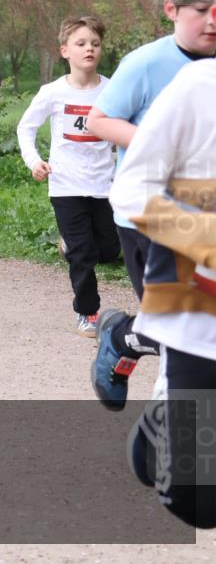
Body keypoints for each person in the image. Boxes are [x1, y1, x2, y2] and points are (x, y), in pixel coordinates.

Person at [87, 0, 216, 411]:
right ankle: (125, 342)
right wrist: (160, 144)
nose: (211, 21)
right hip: (150, 217)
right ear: (171, 9)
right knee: (179, 332)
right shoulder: (146, 63)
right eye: (200, 10)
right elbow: (99, 120)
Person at [108, 53, 216, 529]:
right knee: (200, 504)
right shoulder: (200, 85)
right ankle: (160, 424)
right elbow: (131, 188)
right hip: (200, 304)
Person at [16, 16, 119, 338]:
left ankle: (69, 246)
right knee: (83, 253)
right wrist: (35, 161)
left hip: (105, 184)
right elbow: (26, 128)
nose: (89, 49)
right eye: (81, 43)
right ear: (65, 51)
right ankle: (87, 313)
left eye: (95, 44)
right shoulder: (53, 92)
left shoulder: (113, 90)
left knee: (109, 250)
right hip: (65, 185)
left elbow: (127, 126)